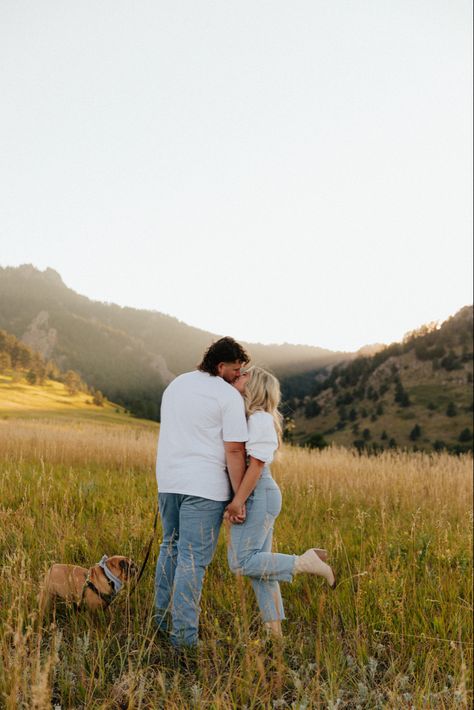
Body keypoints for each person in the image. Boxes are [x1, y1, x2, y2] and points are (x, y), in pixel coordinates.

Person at [154, 336, 250, 649]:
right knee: (192, 560)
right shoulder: (227, 396)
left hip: (168, 481)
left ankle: (161, 622)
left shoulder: (177, 384)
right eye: (236, 369)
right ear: (221, 366)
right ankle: (183, 640)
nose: (240, 375)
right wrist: (239, 498)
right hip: (204, 486)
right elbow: (235, 449)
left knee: (170, 546)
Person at [226, 366, 336, 637]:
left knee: (240, 563)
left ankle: (305, 562)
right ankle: (275, 636)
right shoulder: (255, 418)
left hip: (258, 493)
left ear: (255, 387)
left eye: (243, 377)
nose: (237, 378)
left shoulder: (261, 419)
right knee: (260, 568)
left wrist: (238, 501)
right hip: (260, 493)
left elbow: (257, 466)